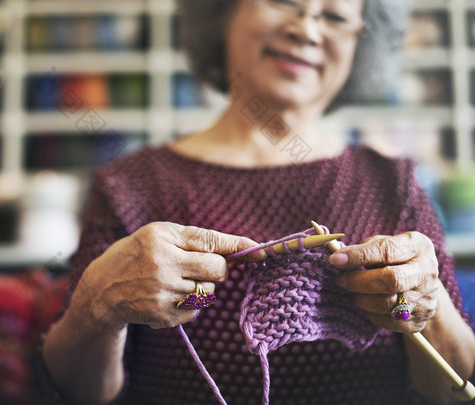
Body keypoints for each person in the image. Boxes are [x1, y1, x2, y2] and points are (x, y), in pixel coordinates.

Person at [39, 0, 475, 404]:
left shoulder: (392, 184)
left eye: (335, 16)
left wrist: (421, 307)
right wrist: (98, 304)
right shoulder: (129, 185)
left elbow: (454, 390)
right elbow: (80, 392)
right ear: (225, 11)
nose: (305, 29)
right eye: (283, 0)